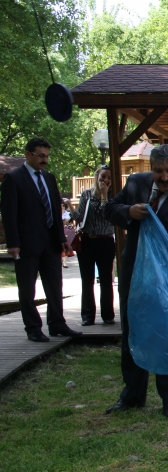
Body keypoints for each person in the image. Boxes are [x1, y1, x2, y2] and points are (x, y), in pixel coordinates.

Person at [103, 144, 168, 418]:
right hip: (135, 273)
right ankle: (132, 396)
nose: (165, 177)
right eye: (159, 171)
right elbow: (109, 209)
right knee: (132, 331)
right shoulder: (136, 183)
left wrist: (157, 275)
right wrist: (128, 211)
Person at [0, 138, 82, 342]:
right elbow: (9, 213)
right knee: (27, 289)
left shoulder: (49, 178)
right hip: (26, 243)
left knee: (55, 285)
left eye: (46, 156)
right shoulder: (13, 178)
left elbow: (55, 210)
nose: (44, 160)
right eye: (40, 156)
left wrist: (62, 237)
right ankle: (33, 328)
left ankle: (57, 324)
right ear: (28, 155)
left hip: (51, 243)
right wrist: (13, 243)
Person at [66, 165, 116, 326]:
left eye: (109, 178)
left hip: (106, 241)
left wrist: (103, 196)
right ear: (97, 177)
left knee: (106, 279)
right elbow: (78, 216)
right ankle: (87, 316)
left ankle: (108, 315)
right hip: (87, 241)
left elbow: (107, 215)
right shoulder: (87, 194)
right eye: (103, 177)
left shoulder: (114, 196)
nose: (106, 180)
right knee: (87, 280)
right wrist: (69, 205)